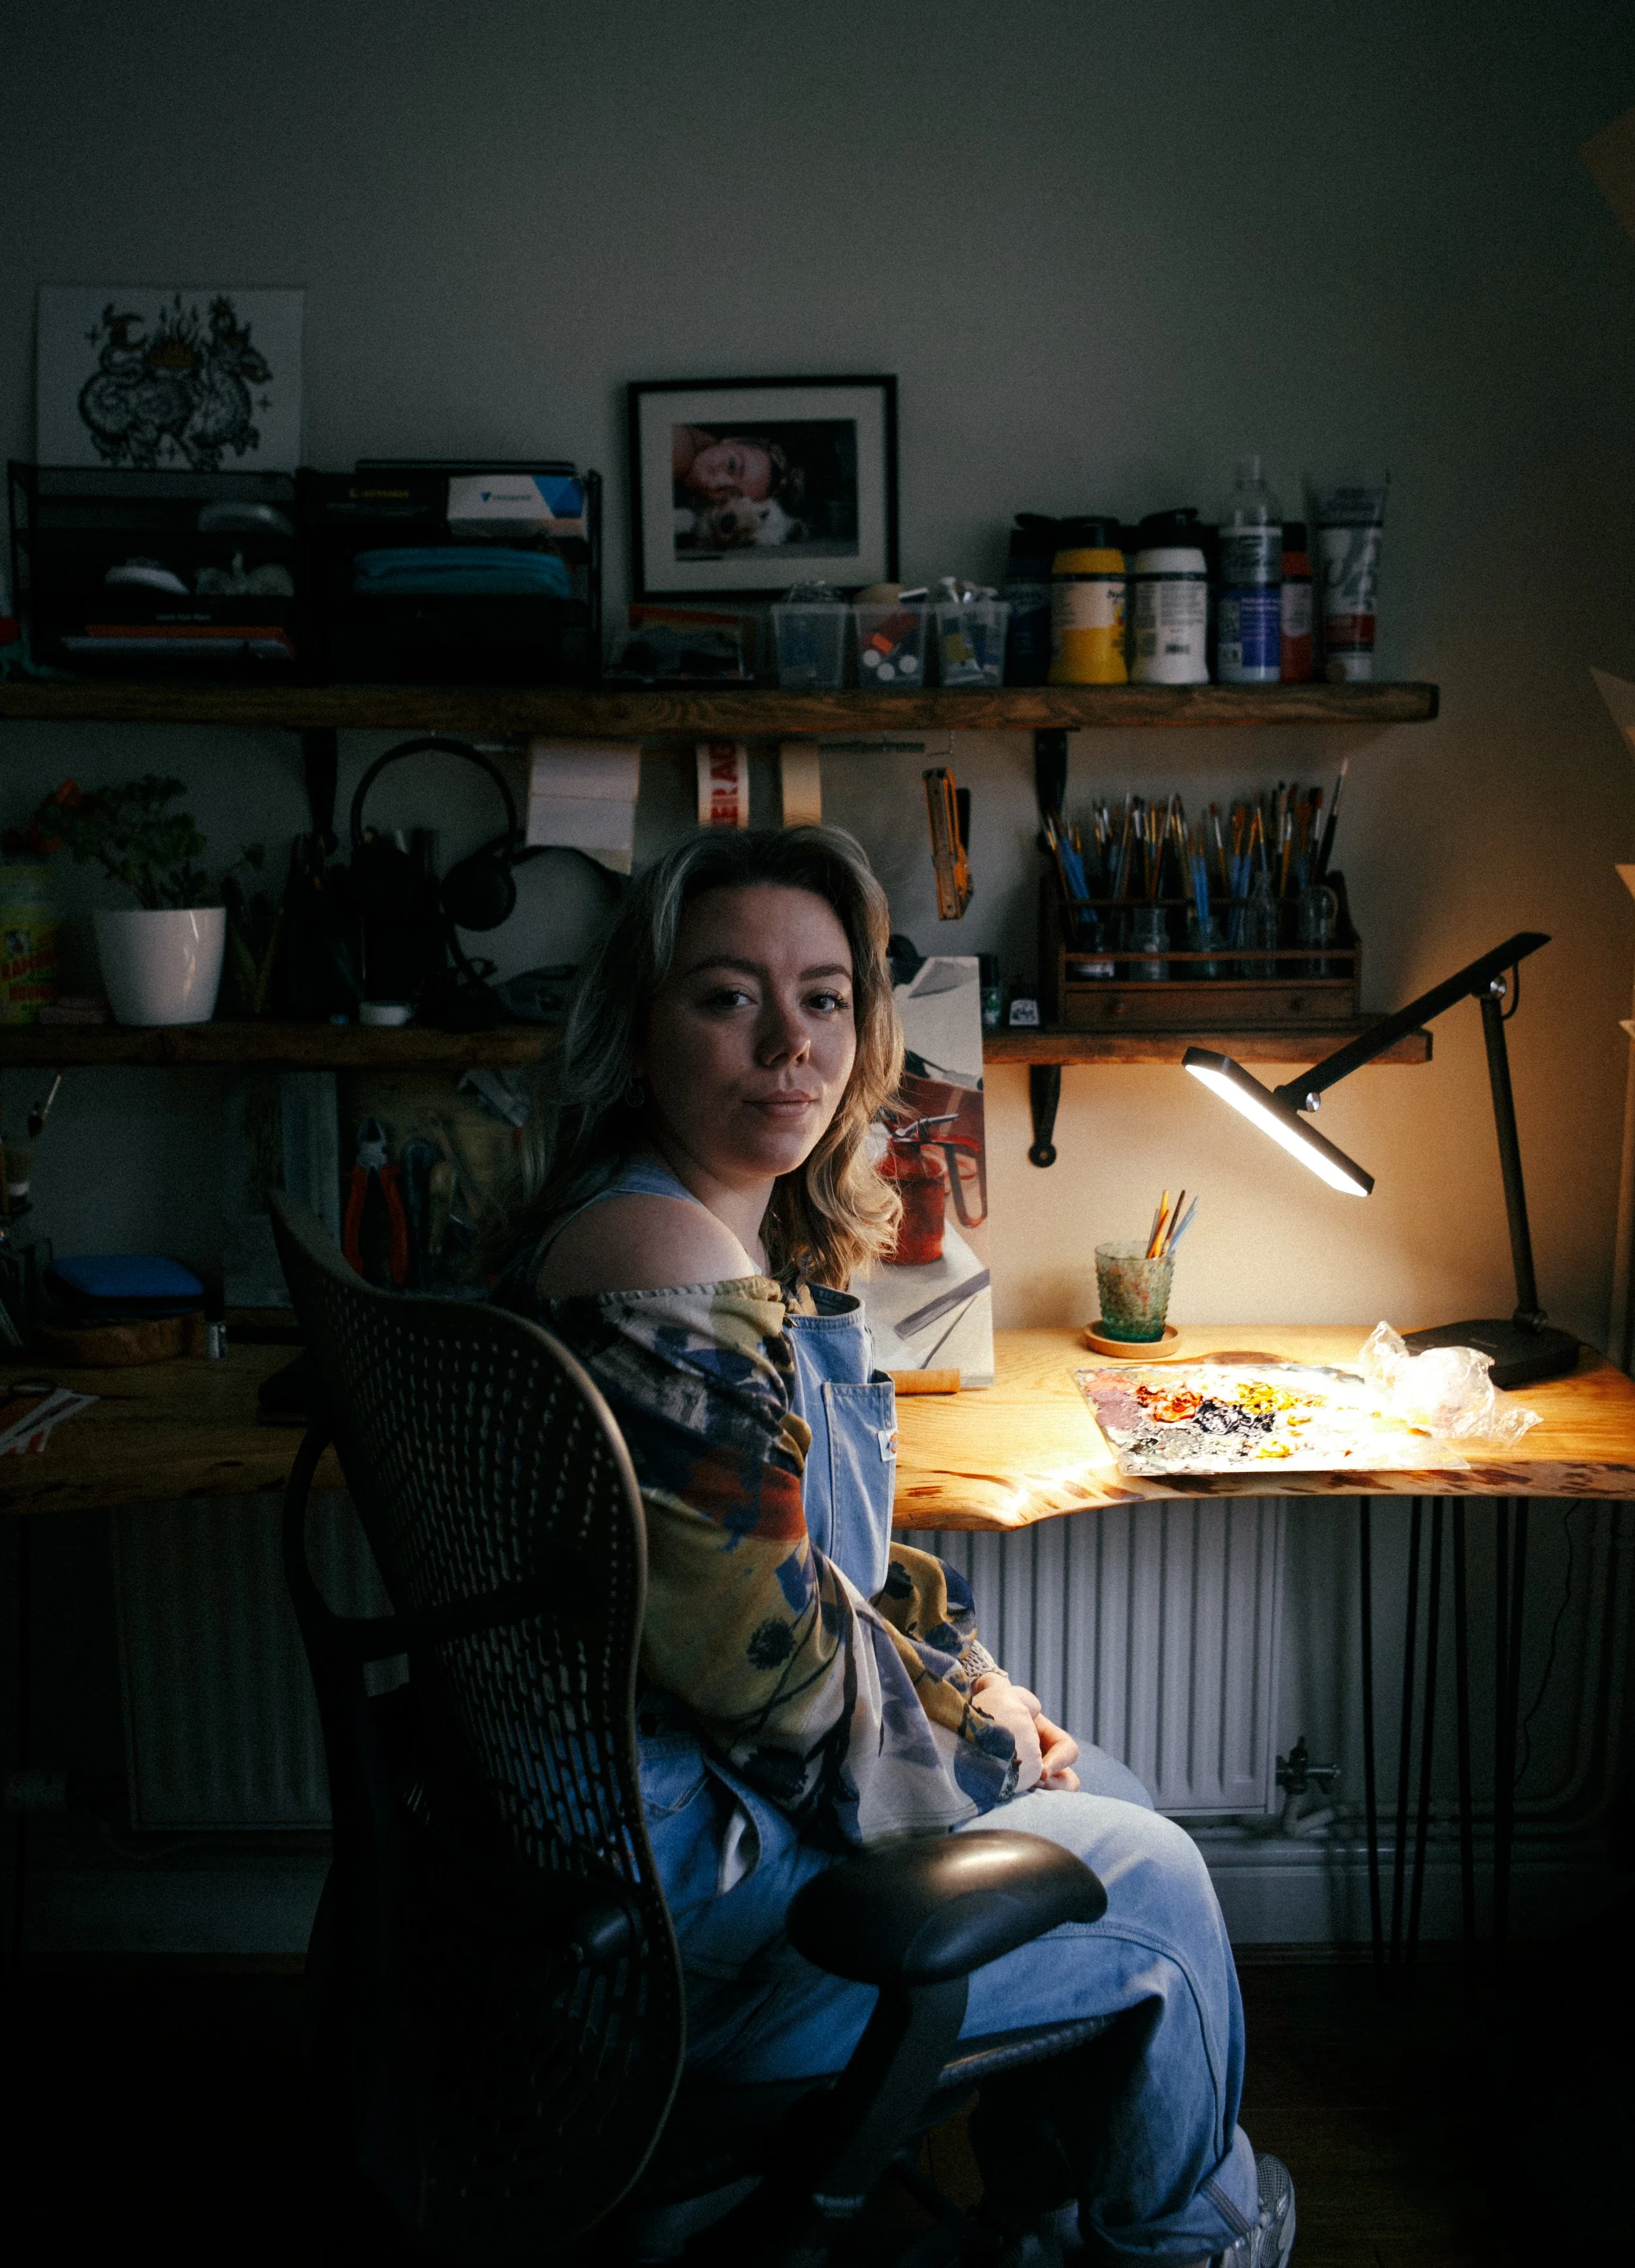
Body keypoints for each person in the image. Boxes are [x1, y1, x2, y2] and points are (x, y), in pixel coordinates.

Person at [492, 826, 1293, 2268]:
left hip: (663, 1834)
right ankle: (1186, 2239)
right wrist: (980, 1736)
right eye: (726, 996)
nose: (788, 1043)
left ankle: (1049, 2207)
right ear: (641, 1023)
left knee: (1096, 1779)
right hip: (695, 1910)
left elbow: (827, 1570)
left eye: (823, 997)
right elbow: (774, 1674)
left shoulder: (696, 1224)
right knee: (1155, 1880)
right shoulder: (664, 1263)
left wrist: (976, 1683)